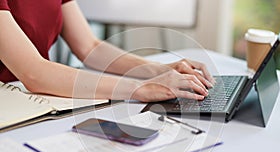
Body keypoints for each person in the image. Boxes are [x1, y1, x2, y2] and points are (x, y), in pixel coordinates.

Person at [0, 0, 215, 102]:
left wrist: (158, 70)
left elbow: (90, 47)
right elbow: (34, 73)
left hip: (32, 100)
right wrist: (140, 88)